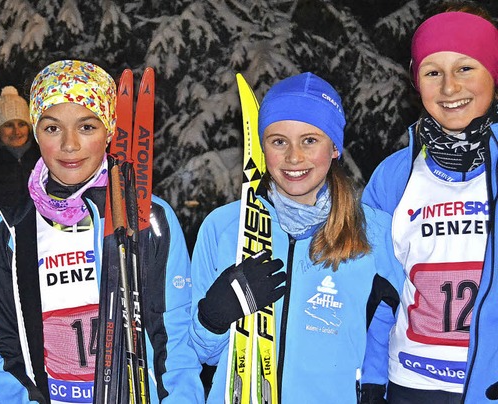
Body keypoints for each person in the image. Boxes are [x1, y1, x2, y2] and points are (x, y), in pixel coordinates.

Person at [0, 60, 204, 403]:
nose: (69, 144)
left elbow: (173, 335)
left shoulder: (149, 217)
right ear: (36, 133)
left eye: (86, 127)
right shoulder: (8, 233)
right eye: (52, 128)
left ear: (109, 130)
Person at [189, 72, 404, 402]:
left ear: (334, 147)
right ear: (262, 147)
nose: (293, 157)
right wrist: (213, 317)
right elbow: (202, 353)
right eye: (278, 141)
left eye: (309, 140)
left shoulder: (375, 232)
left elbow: (409, 331)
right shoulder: (223, 227)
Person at [361, 2, 498, 403]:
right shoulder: (394, 175)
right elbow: (377, 292)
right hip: (411, 387)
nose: (450, 88)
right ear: (416, 81)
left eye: (465, 68)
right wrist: (371, 379)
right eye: (433, 72)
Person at [0, 85, 40, 240]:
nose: (17, 132)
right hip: (4, 242)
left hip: (42, 240)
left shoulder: (44, 158)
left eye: (22, 124)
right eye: (9, 125)